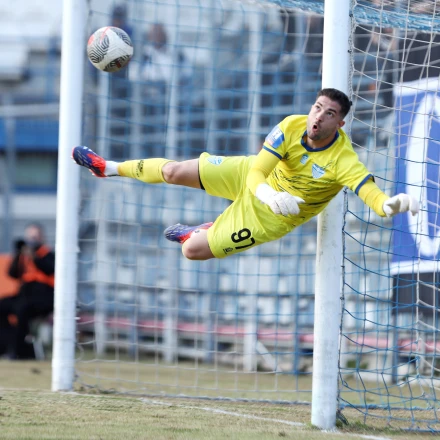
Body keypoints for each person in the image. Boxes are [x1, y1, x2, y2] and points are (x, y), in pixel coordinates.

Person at [72, 88, 420, 261]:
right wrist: (269, 192)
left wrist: (388, 205)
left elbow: (371, 195)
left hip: (270, 217)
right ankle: (108, 168)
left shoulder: (343, 159)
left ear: (339, 124)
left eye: (328, 114)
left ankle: (200, 231)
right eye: (317, 107)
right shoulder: (291, 126)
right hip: (256, 180)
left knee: (192, 251)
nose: (317, 117)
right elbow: (256, 172)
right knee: (174, 171)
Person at [0, 223, 55, 359]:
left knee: (22, 310)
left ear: (42, 238)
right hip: (25, 295)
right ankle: (7, 344)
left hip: (43, 299)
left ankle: (20, 351)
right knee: (3, 306)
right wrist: (18, 254)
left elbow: (49, 269)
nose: (32, 241)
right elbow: (12, 274)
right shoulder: (23, 257)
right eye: (30, 237)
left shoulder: (48, 254)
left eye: (35, 237)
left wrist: (34, 256)